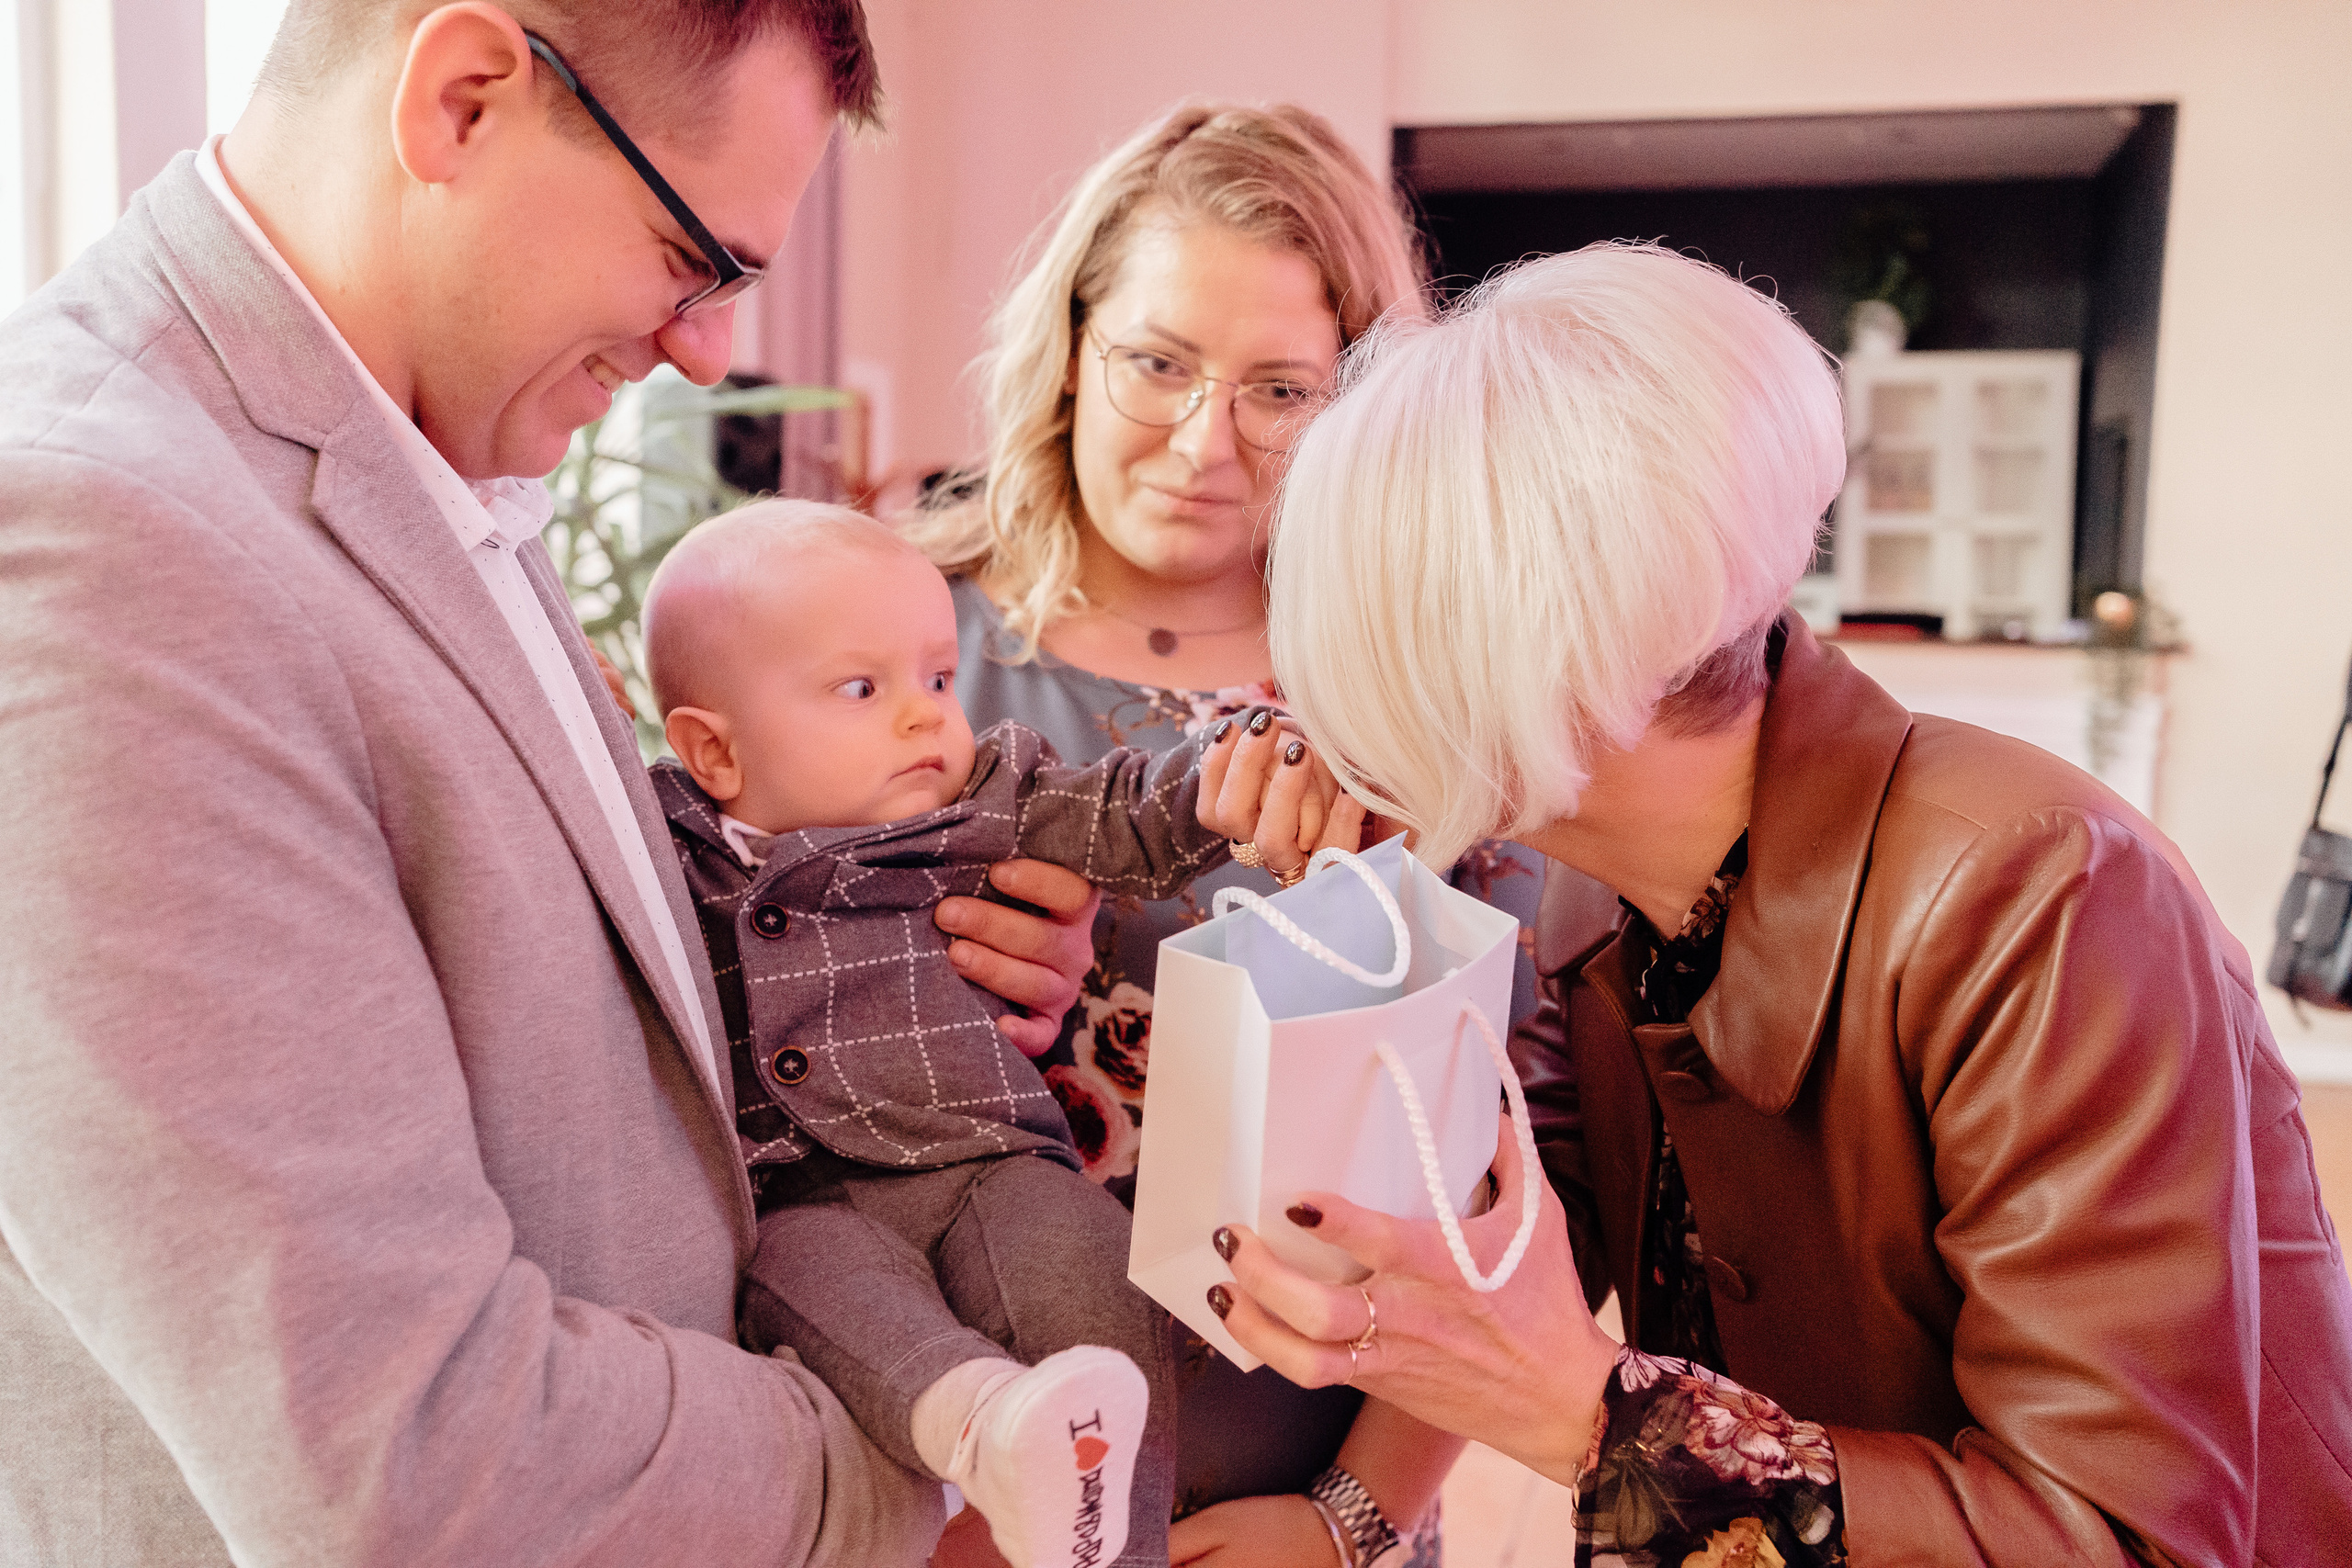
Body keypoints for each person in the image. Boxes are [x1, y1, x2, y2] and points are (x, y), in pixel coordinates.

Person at [0, 5, 1107, 1563]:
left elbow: (581, 1029)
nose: (709, 347)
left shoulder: (443, 461)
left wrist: (892, 966)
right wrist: (930, 1474)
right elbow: (416, 1458)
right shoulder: (100, 546)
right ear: (463, 101)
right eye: (693, 258)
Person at [1204, 242, 2352, 1564]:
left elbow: (2118, 1535)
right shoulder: (1599, 892)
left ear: (1542, 661)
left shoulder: (2044, 898)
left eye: (1374, 638)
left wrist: (1588, 1415)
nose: (1324, 685)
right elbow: (1493, 1237)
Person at [904, 101, 1545, 1567]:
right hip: (948, 1503)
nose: (1205, 443)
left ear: (1364, 406)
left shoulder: (1427, 700)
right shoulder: (895, 641)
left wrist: (1347, 1522)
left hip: (1305, 1511)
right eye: (1158, 363)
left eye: (1278, 390)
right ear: (1070, 344)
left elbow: (1505, 1179)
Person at [639, 500, 1348, 1567]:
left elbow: (1127, 813)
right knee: (812, 1289)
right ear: (713, 752)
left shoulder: (981, 802)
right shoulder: (665, 850)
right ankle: (982, 1426)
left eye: (934, 678)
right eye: (861, 689)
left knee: (1092, 1279)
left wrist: (1225, 776)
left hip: (994, 1166)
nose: (928, 717)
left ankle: (1119, 1545)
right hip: (807, 1194)